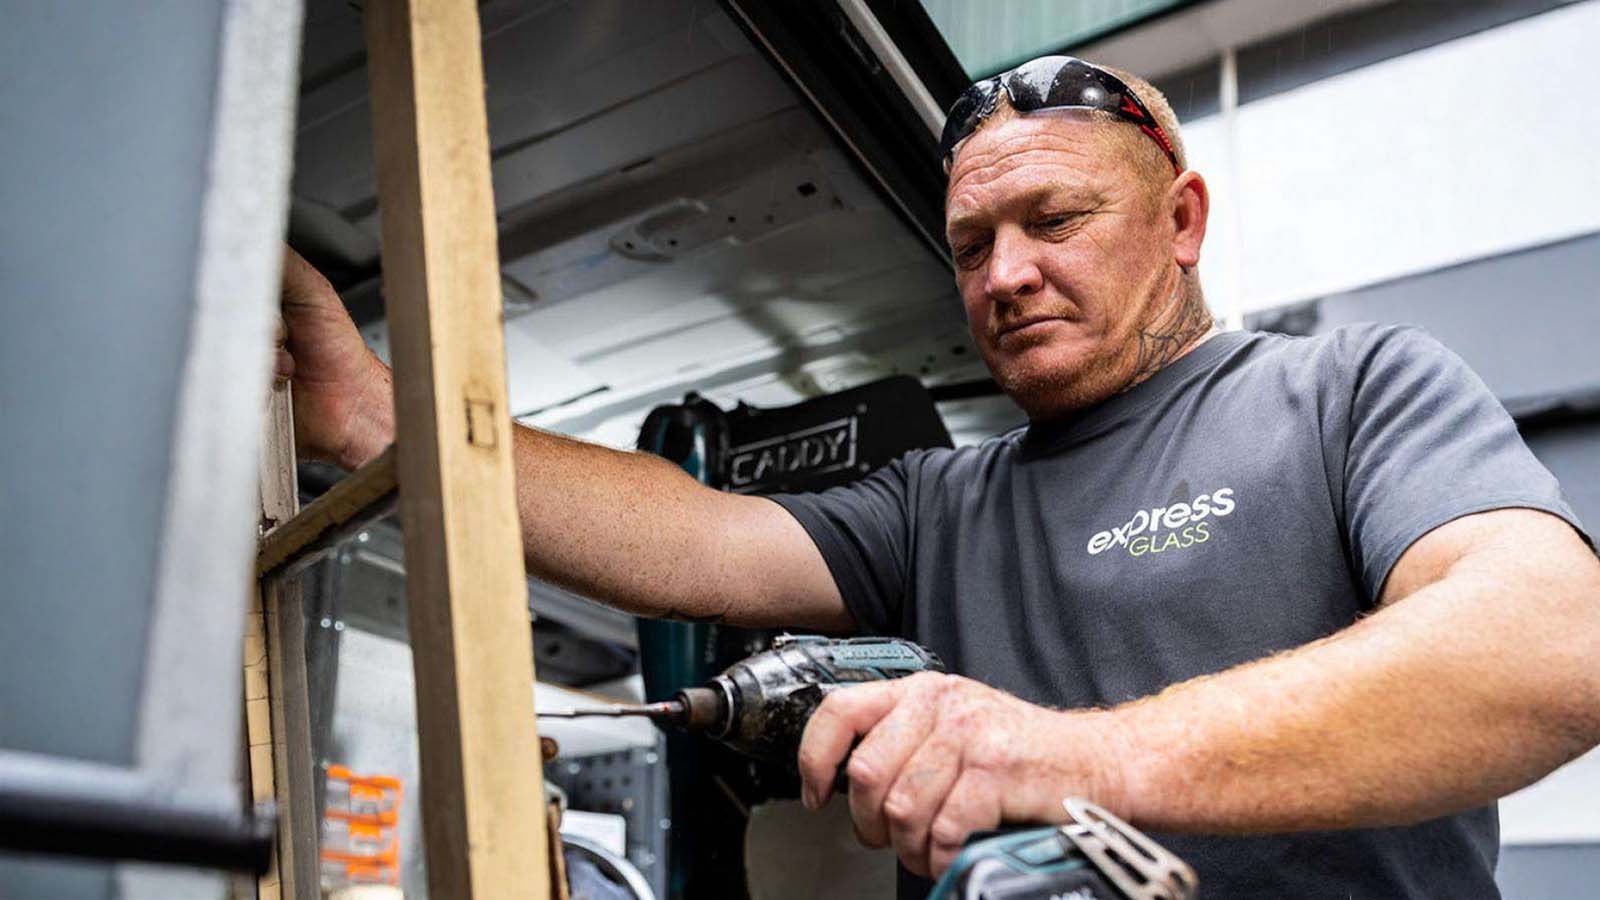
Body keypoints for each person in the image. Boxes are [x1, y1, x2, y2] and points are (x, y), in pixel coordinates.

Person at [278, 55, 1600, 899]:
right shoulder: (943, 500)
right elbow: (690, 544)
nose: (1005, 274)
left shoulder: (1347, 394)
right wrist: (373, 417)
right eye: (972, 243)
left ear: (1181, 222)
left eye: (1056, 221)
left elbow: (1552, 647)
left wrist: (1061, 755)